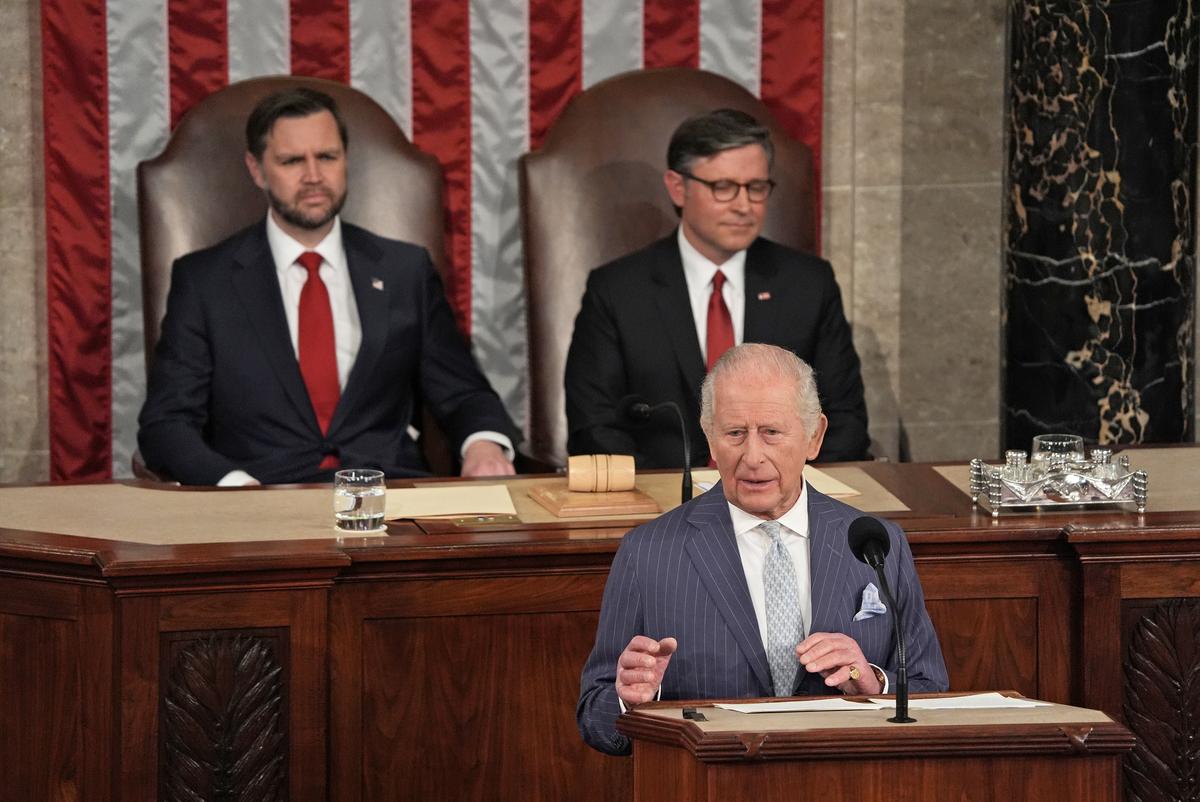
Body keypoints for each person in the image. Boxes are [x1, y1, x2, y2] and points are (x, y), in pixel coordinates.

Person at [576, 343, 946, 756]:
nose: (752, 456)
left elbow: (932, 690)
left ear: (814, 436)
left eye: (771, 432)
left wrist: (874, 684)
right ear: (710, 440)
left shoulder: (877, 542)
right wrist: (632, 701)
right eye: (735, 433)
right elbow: (596, 717)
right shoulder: (648, 554)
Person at [138, 87, 519, 485]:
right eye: (291, 161)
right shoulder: (205, 281)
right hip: (261, 504)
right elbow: (167, 423)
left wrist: (483, 446)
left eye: (326, 157)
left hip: (390, 499)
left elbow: (463, 393)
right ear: (256, 169)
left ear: (345, 160)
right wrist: (233, 485)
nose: (314, 176)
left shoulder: (405, 271)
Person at [564, 108, 870, 468]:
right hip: (662, 505)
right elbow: (594, 427)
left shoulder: (808, 284)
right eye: (723, 187)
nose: (744, 206)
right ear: (679, 188)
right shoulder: (617, 291)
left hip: (784, 503)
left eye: (756, 188)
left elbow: (844, 420)